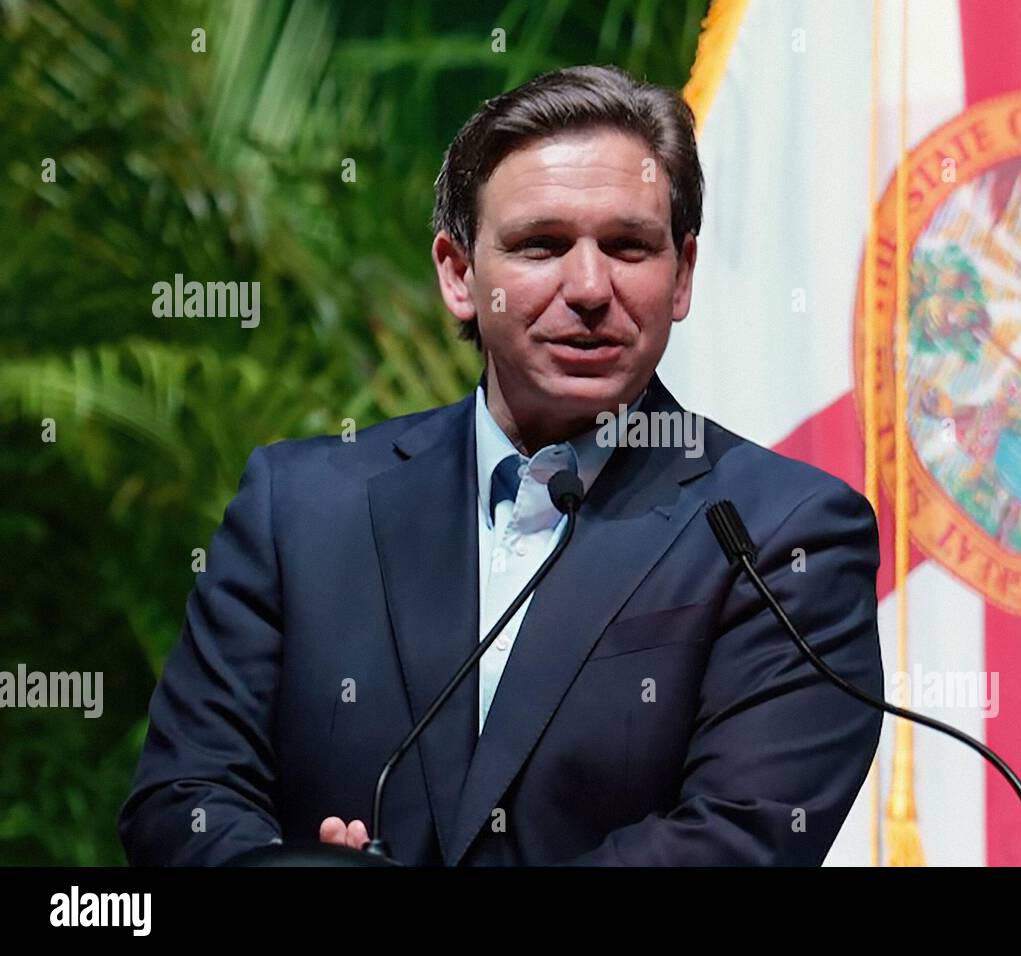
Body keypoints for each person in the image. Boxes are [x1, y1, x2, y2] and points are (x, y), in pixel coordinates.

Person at [118, 64, 884, 866]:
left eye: (628, 246)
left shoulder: (783, 534)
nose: (590, 287)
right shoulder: (300, 508)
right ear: (458, 275)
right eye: (541, 245)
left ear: (682, 275)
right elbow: (184, 802)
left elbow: (736, 840)